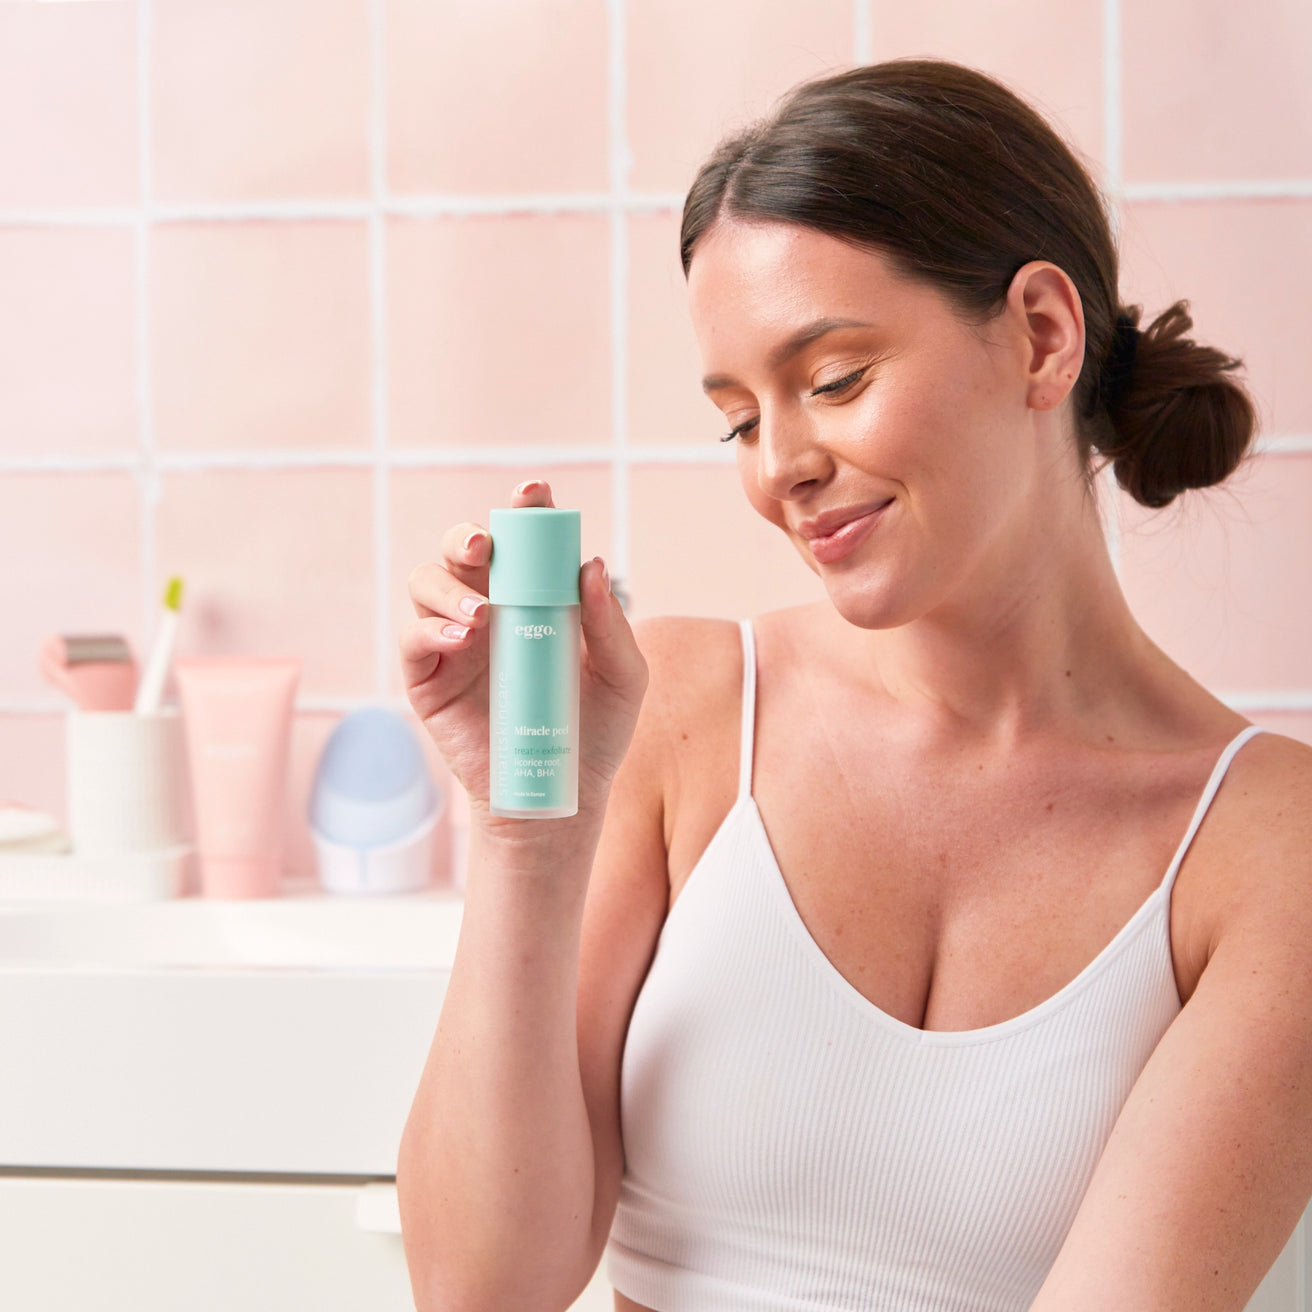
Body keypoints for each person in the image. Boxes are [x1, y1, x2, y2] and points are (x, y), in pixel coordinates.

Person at [395, 57, 1312, 1312]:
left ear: (1042, 336)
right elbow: (478, 1287)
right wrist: (527, 833)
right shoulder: (684, 710)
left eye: (833, 380)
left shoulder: (1266, 851)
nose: (779, 465)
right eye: (739, 419)